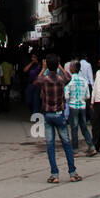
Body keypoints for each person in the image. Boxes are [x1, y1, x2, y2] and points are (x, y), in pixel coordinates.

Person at [36, 53, 81, 184]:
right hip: (59, 114)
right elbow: (69, 76)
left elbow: (37, 80)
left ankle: (54, 174)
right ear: (57, 65)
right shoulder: (61, 79)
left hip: (48, 115)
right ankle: (72, 172)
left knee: (50, 145)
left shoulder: (44, 80)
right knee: (66, 144)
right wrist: (60, 66)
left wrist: (44, 68)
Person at [65, 61, 97, 156]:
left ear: (73, 69)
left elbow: (66, 96)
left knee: (74, 128)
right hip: (82, 106)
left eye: (70, 67)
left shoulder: (69, 82)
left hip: (73, 106)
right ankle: (91, 147)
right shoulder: (84, 81)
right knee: (84, 127)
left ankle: (75, 150)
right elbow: (88, 96)